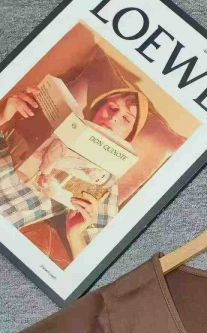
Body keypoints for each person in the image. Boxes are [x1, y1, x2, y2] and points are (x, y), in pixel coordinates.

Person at [0, 82, 149, 261]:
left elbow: (92, 262)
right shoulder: (58, 124)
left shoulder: (107, 181)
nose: (114, 117)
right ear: (97, 110)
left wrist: (75, 235)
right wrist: (3, 117)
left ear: (128, 136)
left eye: (126, 118)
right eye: (112, 107)